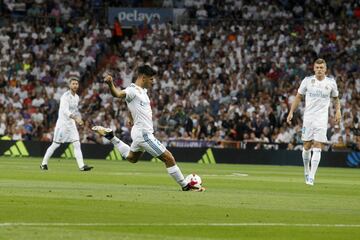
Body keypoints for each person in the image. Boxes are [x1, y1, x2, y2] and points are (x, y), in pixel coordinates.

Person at [92, 65, 204, 191]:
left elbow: (129, 103)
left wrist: (130, 116)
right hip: (144, 134)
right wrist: (110, 84)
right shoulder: (132, 90)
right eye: (151, 79)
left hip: (138, 132)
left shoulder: (143, 92)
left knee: (131, 158)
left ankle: (111, 137)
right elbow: (118, 94)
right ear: (143, 77)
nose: (153, 81)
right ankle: (185, 186)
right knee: (169, 158)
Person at [287, 58, 341, 186]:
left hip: (322, 119)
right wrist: (291, 112)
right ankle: (306, 169)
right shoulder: (307, 81)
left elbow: (336, 98)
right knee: (306, 145)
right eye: (317, 67)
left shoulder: (331, 83)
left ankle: (311, 176)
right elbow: (299, 96)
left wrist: (338, 111)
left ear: (325, 69)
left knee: (317, 145)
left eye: (321, 67)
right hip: (309, 118)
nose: (319, 70)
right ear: (314, 68)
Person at [40, 76, 93, 171]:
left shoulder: (76, 97)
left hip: (71, 124)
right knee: (55, 144)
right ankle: (43, 164)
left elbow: (75, 111)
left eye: (76, 84)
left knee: (77, 144)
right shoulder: (65, 96)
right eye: (73, 84)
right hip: (62, 124)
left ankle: (82, 166)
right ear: (69, 85)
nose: (75, 85)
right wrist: (76, 118)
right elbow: (65, 111)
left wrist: (79, 118)